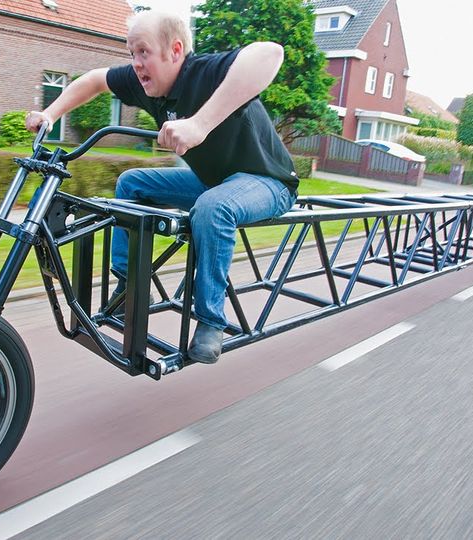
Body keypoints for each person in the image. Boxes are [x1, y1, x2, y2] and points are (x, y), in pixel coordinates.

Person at [25, 11, 298, 364]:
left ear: (175, 50)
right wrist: (50, 114)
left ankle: (211, 321)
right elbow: (93, 80)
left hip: (268, 181)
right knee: (131, 183)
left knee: (214, 207)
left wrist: (200, 124)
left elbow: (271, 53)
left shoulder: (205, 72)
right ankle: (130, 287)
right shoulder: (144, 82)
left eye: (143, 52)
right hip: (215, 180)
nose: (136, 63)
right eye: (131, 53)